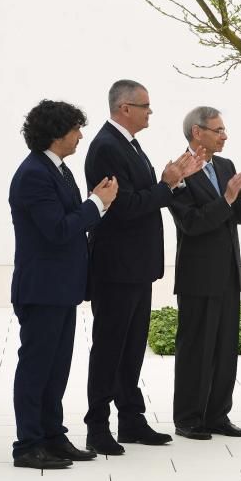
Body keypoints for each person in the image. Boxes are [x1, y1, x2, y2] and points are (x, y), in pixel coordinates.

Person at [83, 79, 204, 455]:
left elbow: (143, 196)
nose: (150, 112)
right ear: (124, 109)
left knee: (133, 347)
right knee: (109, 347)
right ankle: (97, 426)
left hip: (136, 266)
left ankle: (131, 420)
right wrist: (166, 186)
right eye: (145, 106)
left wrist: (172, 181)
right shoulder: (105, 147)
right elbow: (124, 207)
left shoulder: (128, 144)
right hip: (116, 267)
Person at [9, 100, 118, 469]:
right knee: (37, 367)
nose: (81, 135)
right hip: (42, 288)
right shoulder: (34, 174)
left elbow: (72, 219)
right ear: (57, 133)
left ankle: (53, 436)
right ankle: (28, 445)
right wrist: (97, 204)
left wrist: (93, 203)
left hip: (61, 287)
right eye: (75, 128)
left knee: (57, 368)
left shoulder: (58, 169)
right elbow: (58, 230)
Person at [168, 107, 241, 440]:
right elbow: (191, 223)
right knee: (197, 348)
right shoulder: (178, 170)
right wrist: (226, 198)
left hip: (227, 274)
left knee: (225, 349)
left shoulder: (225, 166)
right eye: (218, 129)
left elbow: (239, 216)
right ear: (197, 132)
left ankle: (217, 415)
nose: (225, 135)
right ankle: (188, 418)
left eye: (225, 130)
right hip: (198, 276)